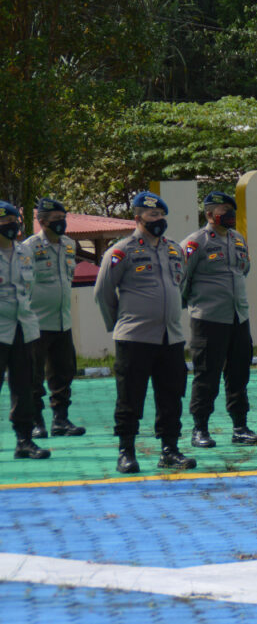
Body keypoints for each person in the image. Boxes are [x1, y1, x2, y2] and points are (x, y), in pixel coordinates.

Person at [94, 191, 196, 473]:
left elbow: (180, 285)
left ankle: (170, 450)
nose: (158, 219)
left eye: (161, 215)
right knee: (130, 397)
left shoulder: (174, 249)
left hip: (170, 337)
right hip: (134, 338)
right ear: (138, 218)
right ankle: (126, 452)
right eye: (153, 215)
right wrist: (119, 324)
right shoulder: (121, 251)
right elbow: (103, 291)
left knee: (171, 396)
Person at [182, 191, 257, 449]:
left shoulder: (238, 239)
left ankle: (240, 427)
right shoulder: (195, 242)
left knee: (239, 374)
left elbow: (244, 270)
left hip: (238, 317)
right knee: (207, 375)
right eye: (224, 210)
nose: (230, 214)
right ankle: (200, 429)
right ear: (209, 214)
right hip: (209, 319)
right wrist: (194, 305)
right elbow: (181, 279)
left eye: (232, 210)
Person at [24, 197, 85, 438]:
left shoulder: (69, 244)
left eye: (63, 218)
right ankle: (36, 422)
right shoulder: (29, 248)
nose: (61, 223)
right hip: (36, 322)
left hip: (62, 322)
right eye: (56, 219)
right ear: (42, 221)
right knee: (33, 376)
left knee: (63, 373)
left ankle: (61, 420)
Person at [0, 200, 50, 459]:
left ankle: (25, 441)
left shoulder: (25, 252)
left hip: (24, 328)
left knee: (25, 387)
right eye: (5, 222)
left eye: (13, 221)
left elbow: (30, 289)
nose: (11, 226)